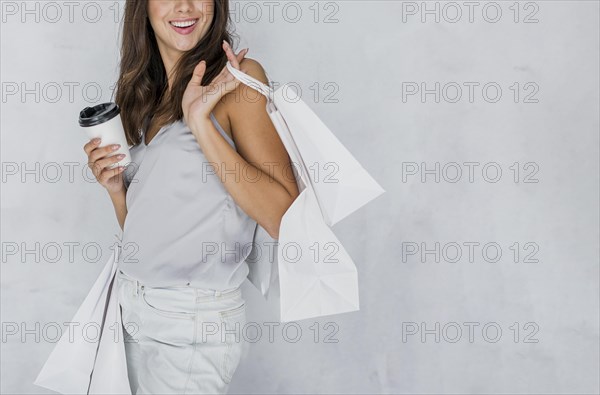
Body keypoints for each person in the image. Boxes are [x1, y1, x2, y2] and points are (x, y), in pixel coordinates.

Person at [83, 1, 299, 393]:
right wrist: (117, 191)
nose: (185, 6)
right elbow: (153, 236)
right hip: (129, 309)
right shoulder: (148, 94)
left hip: (190, 327)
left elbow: (287, 217)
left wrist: (201, 123)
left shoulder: (238, 80)